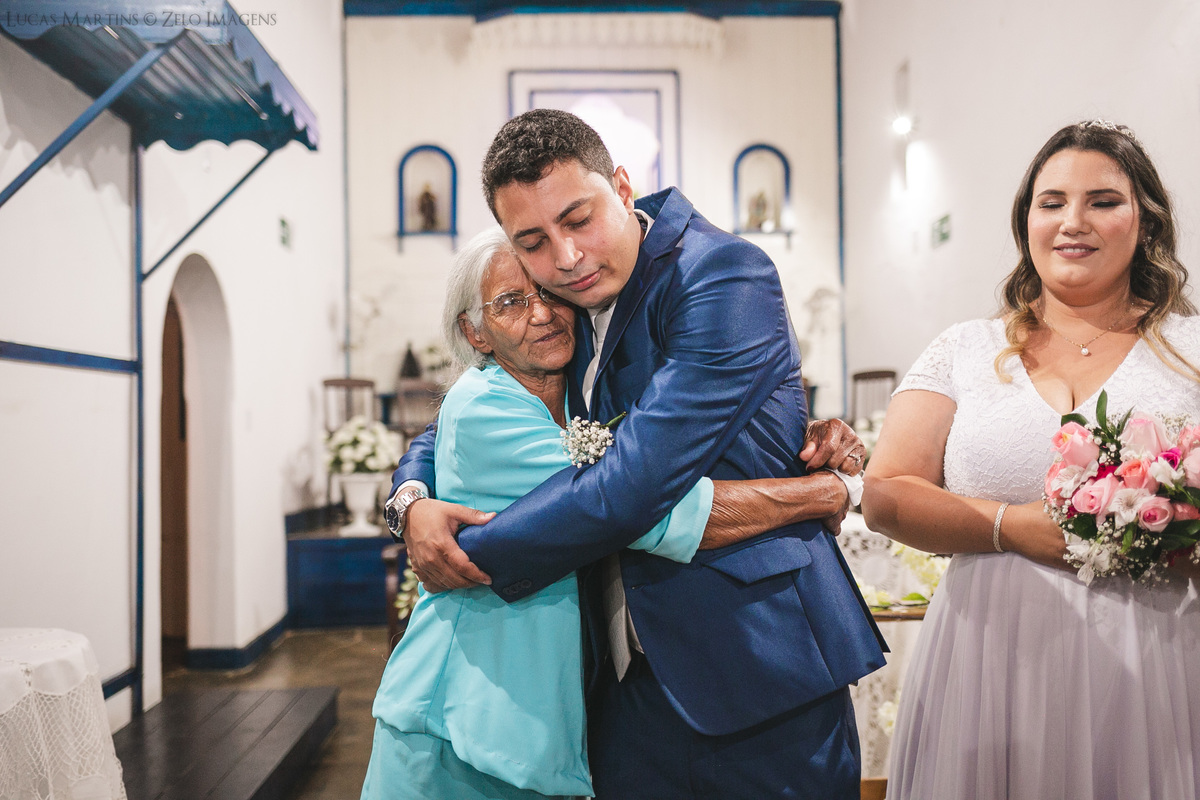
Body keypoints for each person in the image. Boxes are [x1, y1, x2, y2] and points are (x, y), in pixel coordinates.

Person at [390, 109, 885, 798]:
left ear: (623, 187)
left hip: (756, 667)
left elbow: (632, 488)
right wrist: (410, 502)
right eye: (532, 241)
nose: (565, 256)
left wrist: (480, 553)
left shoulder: (720, 276)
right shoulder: (563, 304)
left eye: (579, 218)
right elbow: (458, 422)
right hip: (618, 682)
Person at [862, 120, 1200, 800]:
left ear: (1145, 221)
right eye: (1052, 202)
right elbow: (886, 493)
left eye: (1103, 201)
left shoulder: (1190, 347)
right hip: (988, 660)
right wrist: (1008, 526)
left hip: (1157, 659)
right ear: (1026, 223)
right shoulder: (964, 348)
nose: (1074, 221)